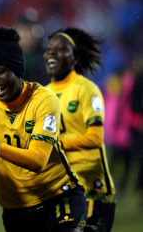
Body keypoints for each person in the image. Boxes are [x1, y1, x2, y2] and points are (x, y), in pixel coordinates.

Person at [0, 27, 87, 232]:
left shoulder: (44, 100)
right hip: (16, 209)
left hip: (59, 197)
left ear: (17, 70)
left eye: (0, 71)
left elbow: (37, 160)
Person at [44, 28, 116, 231]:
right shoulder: (43, 94)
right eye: (49, 49)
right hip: (61, 187)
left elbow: (95, 137)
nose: (51, 54)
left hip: (92, 187)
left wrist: (59, 145)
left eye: (59, 50)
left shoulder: (87, 89)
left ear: (74, 58)